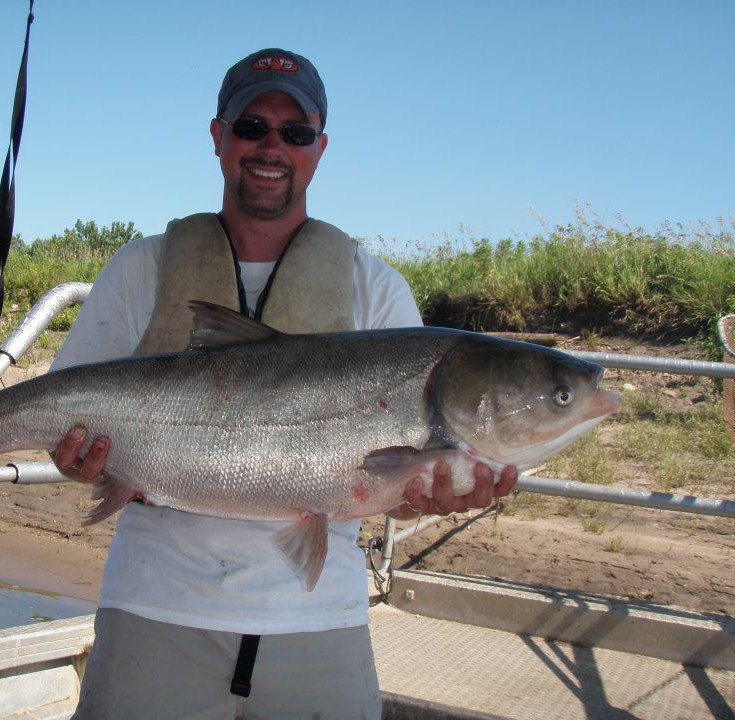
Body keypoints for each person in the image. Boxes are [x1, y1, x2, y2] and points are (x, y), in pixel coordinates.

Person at [50, 48, 517, 720]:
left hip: (318, 621)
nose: (272, 147)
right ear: (218, 136)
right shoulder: (139, 269)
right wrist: (72, 458)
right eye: (252, 126)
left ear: (319, 148)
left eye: (294, 133)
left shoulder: (377, 290)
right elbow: (60, 420)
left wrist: (420, 498)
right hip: (154, 607)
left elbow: (393, 494)